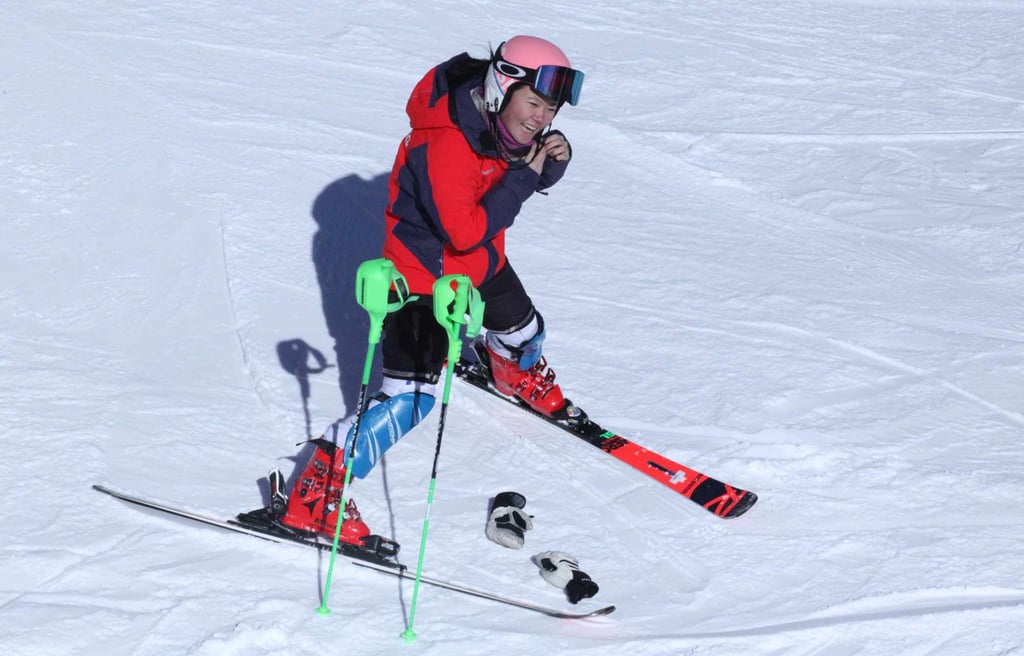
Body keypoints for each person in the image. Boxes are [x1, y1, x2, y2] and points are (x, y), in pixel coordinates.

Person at [274, 35, 585, 543]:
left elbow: (503, 188)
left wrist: (549, 164)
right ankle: (317, 490)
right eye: (533, 102)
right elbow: (462, 229)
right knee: (409, 400)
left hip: (478, 264)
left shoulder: (499, 128)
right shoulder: (446, 141)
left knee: (526, 331)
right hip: (422, 276)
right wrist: (528, 176)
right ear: (501, 88)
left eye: (549, 108)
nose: (540, 117)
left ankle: (511, 372)